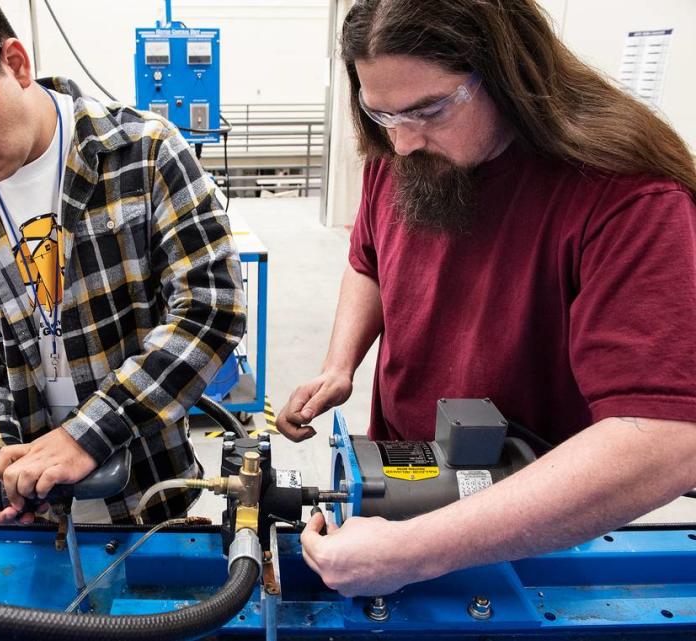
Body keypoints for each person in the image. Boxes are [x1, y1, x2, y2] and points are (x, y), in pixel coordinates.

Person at [278, 0, 696, 597]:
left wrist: (414, 551)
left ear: (508, 72)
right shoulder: (401, 155)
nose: (400, 142)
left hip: (526, 512)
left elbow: (666, 439)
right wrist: (340, 364)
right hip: (402, 476)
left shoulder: (626, 195)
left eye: (427, 110)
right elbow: (367, 261)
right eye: (381, 113)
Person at [0, 0, 245, 525]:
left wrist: (88, 434)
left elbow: (210, 310)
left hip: (150, 487)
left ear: (15, 62)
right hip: (34, 513)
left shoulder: (143, 154)